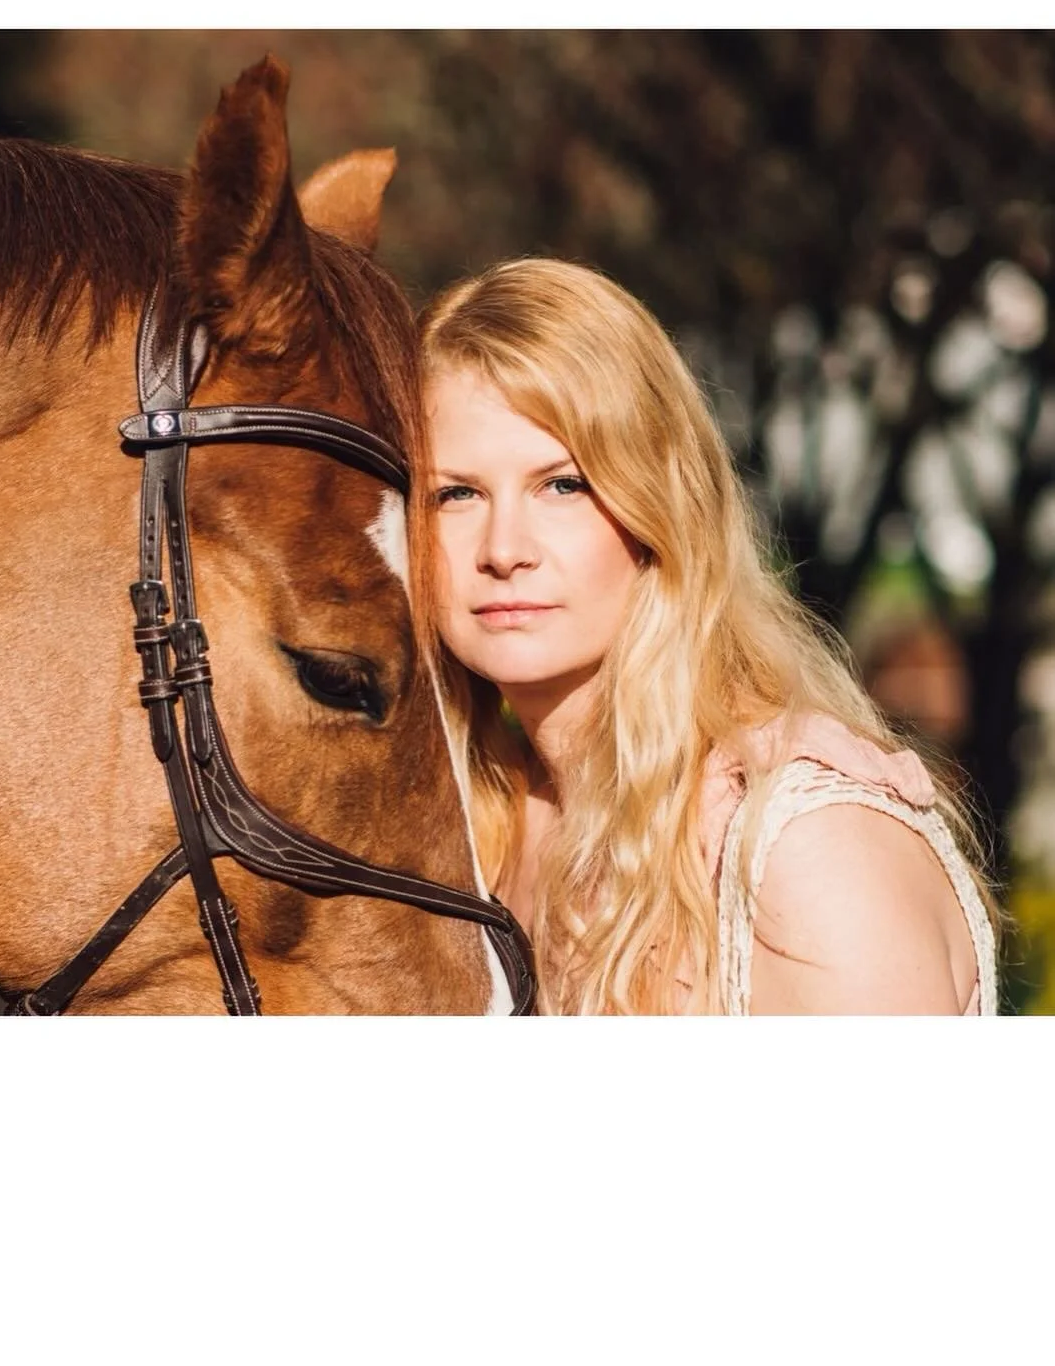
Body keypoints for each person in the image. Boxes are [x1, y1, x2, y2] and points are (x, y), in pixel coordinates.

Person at [415, 258, 1000, 1015]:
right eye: (455, 493)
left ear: (660, 500)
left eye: (563, 484)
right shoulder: (471, 836)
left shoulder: (800, 848)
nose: (503, 548)